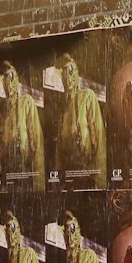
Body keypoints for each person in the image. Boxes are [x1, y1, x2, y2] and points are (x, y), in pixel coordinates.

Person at [54, 53, 105, 183]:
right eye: (64, 72)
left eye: (71, 70)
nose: (68, 76)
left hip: (86, 171)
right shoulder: (63, 108)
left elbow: (98, 138)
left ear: (77, 73)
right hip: (68, 174)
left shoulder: (87, 96)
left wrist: (99, 179)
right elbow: (59, 149)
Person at [0, 60, 44, 188]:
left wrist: (38, 182)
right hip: (10, 175)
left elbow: (36, 143)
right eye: (5, 79)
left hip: (25, 172)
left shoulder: (26, 102)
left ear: (16, 80)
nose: (8, 83)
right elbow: (1, 149)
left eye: (11, 77)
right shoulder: (5, 113)